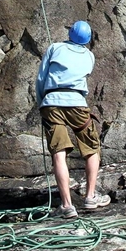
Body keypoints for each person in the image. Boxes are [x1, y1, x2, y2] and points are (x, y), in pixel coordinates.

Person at [35, 20, 110, 218]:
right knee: (92, 148)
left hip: (51, 102)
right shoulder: (89, 56)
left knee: (59, 152)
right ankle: (90, 197)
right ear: (87, 39)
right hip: (77, 102)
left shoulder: (55, 48)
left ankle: (67, 205)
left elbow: (41, 79)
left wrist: (42, 103)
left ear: (70, 34)